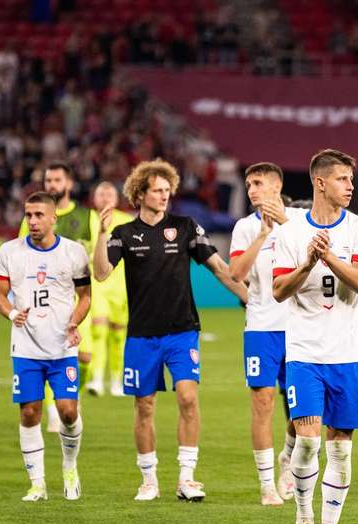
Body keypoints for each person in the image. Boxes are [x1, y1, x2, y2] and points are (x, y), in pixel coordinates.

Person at [92, 159, 247, 502]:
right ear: (140, 194)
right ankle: (149, 480)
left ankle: (187, 478)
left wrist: (250, 299)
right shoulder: (124, 234)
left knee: (188, 398)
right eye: (157, 191)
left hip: (182, 330)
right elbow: (101, 273)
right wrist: (102, 235)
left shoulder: (186, 227)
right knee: (144, 406)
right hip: (142, 335)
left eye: (167, 191)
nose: (164, 196)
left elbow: (219, 269)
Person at [272, 148, 358, 524]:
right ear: (320, 182)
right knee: (308, 442)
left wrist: (329, 257)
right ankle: (303, 516)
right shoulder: (290, 233)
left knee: (341, 445)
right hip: (305, 351)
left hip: (350, 352)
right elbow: (280, 290)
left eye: (351, 179)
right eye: (342, 179)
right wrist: (306, 263)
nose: (351, 186)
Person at [0, 191, 91, 501]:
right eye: (28, 215)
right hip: (25, 349)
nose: (32, 221)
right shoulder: (11, 252)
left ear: (53, 218)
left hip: (62, 348)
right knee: (29, 413)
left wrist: (75, 321)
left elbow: (86, 296)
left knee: (67, 412)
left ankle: (69, 466)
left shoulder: (74, 253)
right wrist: (11, 312)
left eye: (38, 215)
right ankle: (37, 484)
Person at [229, 161, 302, 506]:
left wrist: (283, 226)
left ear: (277, 185)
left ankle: (287, 458)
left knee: (300, 411)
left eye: (258, 183)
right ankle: (266, 486)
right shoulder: (245, 227)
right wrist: (262, 234)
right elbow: (236, 273)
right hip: (261, 326)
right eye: (248, 184)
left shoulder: (300, 221)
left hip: (299, 326)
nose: (252, 189)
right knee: (262, 402)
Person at [20, 162, 100, 430]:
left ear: (69, 184)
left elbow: (99, 253)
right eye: (48, 180)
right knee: (46, 354)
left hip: (78, 297)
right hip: (44, 299)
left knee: (85, 356)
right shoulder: (33, 217)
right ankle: (57, 409)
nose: (52, 185)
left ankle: (71, 397)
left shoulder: (87, 216)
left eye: (57, 180)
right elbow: (22, 255)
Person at [85, 182, 131, 397]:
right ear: (94, 198)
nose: (105, 197)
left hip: (121, 285)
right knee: (98, 330)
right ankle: (95, 379)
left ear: (116, 197)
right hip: (97, 283)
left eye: (109, 193)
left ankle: (116, 380)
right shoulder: (87, 220)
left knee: (118, 337)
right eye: (100, 193)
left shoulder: (127, 221)